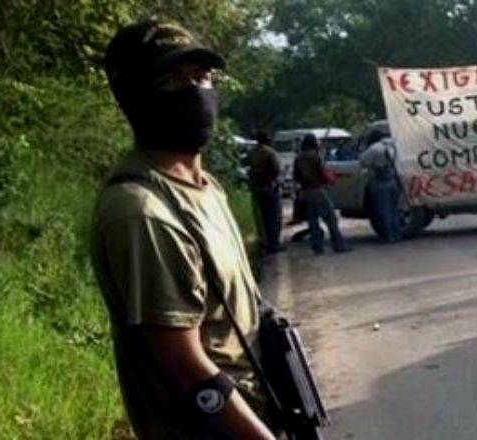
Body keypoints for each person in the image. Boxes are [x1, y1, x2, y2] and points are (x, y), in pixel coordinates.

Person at [91, 20, 276, 439]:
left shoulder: (206, 188)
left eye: (202, 76)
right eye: (170, 81)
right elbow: (184, 365)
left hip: (254, 413)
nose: (195, 91)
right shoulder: (141, 211)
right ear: (134, 98)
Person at [294, 133, 350, 255]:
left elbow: (296, 176)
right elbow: (323, 174)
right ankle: (339, 245)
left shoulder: (298, 158)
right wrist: (332, 179)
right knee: (331, 219)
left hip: (306, 192)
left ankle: (317, 248)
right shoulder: (316, 157)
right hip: (318, 190)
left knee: (313, 221)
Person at [360, 130, 402, 242]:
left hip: (380, 182)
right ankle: (396, 233)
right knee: (394, 210)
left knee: (384, 211)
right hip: (393, 181)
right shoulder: (393, 145)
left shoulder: (374, 149)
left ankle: (388, 236)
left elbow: (363, 161)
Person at [248, 132, 285, 253]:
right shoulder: (270, 152)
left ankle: (264, 244)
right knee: (274, 217)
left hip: (256, 188)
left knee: (261, 218)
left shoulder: (252, 152)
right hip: (269, 187)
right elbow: (276, 169)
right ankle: (274, 244)